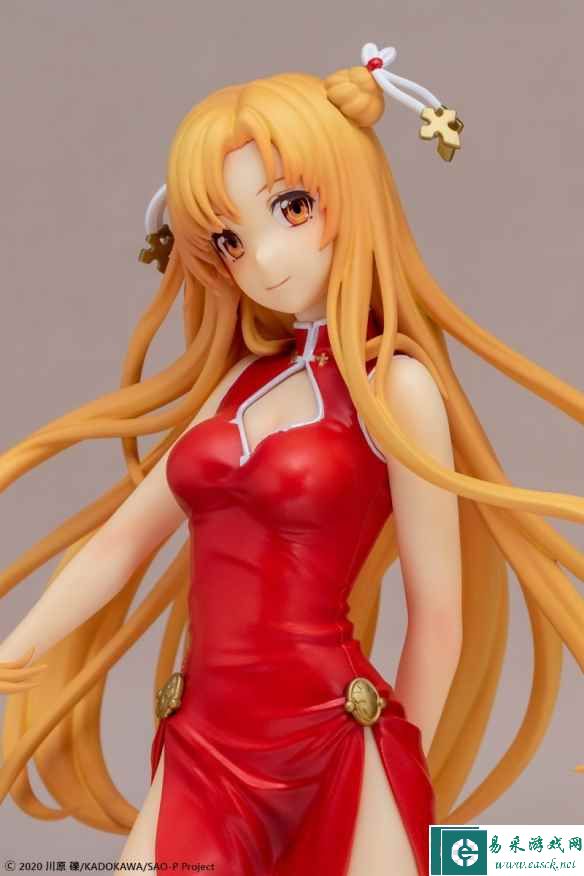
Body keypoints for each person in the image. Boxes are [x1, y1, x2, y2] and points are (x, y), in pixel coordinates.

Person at [1, 39, 583, 876]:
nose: (264, 259)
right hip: (204, 743)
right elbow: (121, 543)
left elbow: (438, 616)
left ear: (352, 193)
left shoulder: (395, 388)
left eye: (293, 207)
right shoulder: (237, 384)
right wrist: (19, 644)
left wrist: (401, 769)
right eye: (230, 239)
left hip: (334, 736)